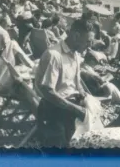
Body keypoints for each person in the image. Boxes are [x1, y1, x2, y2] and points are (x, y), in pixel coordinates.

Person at [34, 18, 95, 147]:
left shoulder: (76, 55)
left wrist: (83, 95)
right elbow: (47, 92)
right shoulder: (54, 55)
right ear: (76, 36)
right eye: (88, 41)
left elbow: (76, 84)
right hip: (53, 108)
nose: (90, 45)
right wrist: (77, 110)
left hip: (69, 104)